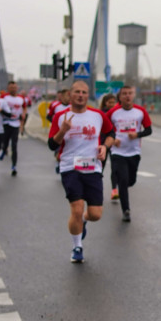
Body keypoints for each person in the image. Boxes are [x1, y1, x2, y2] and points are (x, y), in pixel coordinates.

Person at [48, 80, 116, 263]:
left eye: (84, 92)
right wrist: (62, 131)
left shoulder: (98, 115)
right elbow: (51, 144)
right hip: (70, 167)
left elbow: (111, 134)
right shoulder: (61, 117)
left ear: (88, 95)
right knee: (76, 210)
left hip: (93, 167)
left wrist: (104, 146)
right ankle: (77, 247)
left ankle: (84, 221)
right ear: (70, 95)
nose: (80, 95)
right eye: (77, 92)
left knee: (95, 214)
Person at [106, 84, 152, 222]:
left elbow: (149, 130)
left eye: (130, 93)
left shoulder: (140, 112)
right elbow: (104, 130)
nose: (127, 96)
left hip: (134, 152)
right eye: (124, 93)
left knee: (131, 181)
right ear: (120, 97)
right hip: (118, 152)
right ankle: (126, 210)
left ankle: (124, 186)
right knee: (123, 181)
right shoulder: (113, 113)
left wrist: (137, 134)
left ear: (133, 95)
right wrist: (113, 140)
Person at [0, 81, 27, 176]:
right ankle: (3, 150)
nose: (13, 89)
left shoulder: (21, 98)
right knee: (5, 142)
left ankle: (14, 166)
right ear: (8, 88)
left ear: (17, 88)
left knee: (14, 145)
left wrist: (23, 114)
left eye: (14, 87)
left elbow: (24, 108)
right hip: (5, 123)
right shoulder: (4, 97)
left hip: (15, 123)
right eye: (11, 87)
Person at [99, 93, 120, 200]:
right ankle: (97, 187)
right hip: (104, 144)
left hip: (115, 145)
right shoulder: (102, 114)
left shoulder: (118, 113)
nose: (112, 104)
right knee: (100, 166)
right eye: (109, 102)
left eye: (113, 102)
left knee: (114, 168)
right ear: (105, 103)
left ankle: (114, 190)